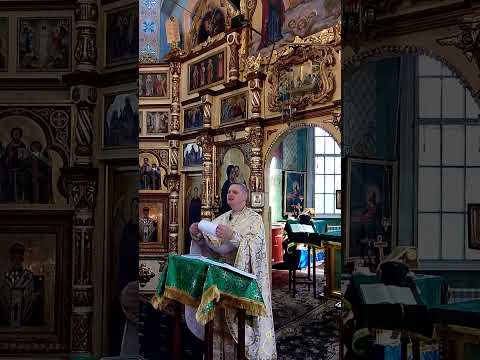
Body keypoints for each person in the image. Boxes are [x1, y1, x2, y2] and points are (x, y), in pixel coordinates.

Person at [187, 183, 277, 359]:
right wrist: (197, 235)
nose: (230, 194)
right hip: (219, 284)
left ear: (245, 197)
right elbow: (210, 249)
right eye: (228, 191)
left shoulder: (254, 219)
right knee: (218, 325)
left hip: (240, 283)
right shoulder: (221, 218)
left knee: (239, 326)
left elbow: (256, 248)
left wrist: (233, 236)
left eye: (235, 192)